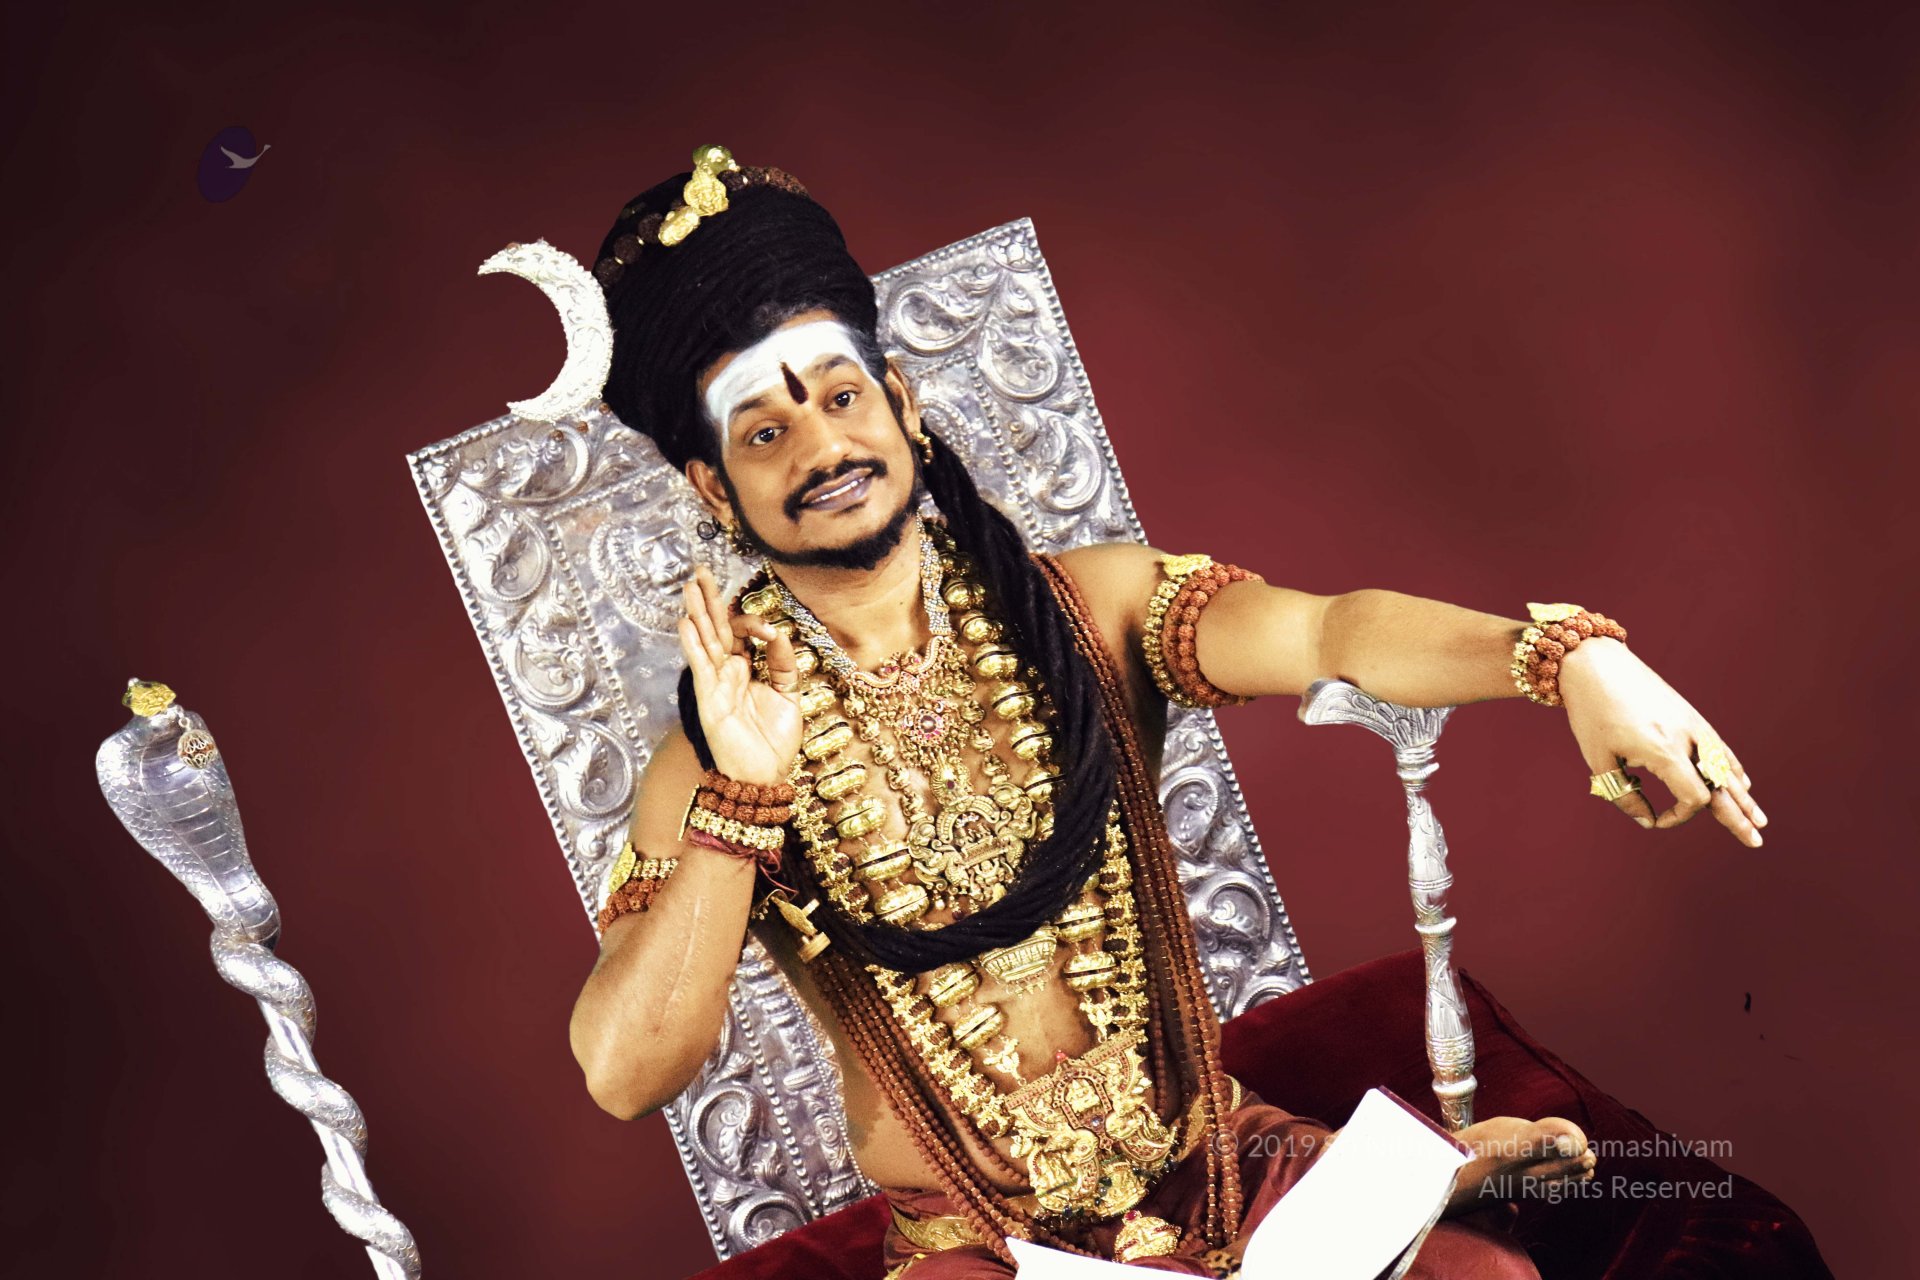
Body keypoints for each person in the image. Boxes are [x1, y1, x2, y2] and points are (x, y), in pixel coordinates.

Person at [564, 147, 1779, 1279]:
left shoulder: (1092, 612)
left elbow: (1327, 632)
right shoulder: (715, 757)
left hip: (1227, 1168)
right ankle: (1419, 1175)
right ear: (713, 486)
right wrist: (744, 798)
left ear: (903, 403)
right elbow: (624, 1072)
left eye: (841, 395)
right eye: (765, 431)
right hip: (979, 1244)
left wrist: (1562, 658)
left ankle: (1399, 1185)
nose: (823, 445)